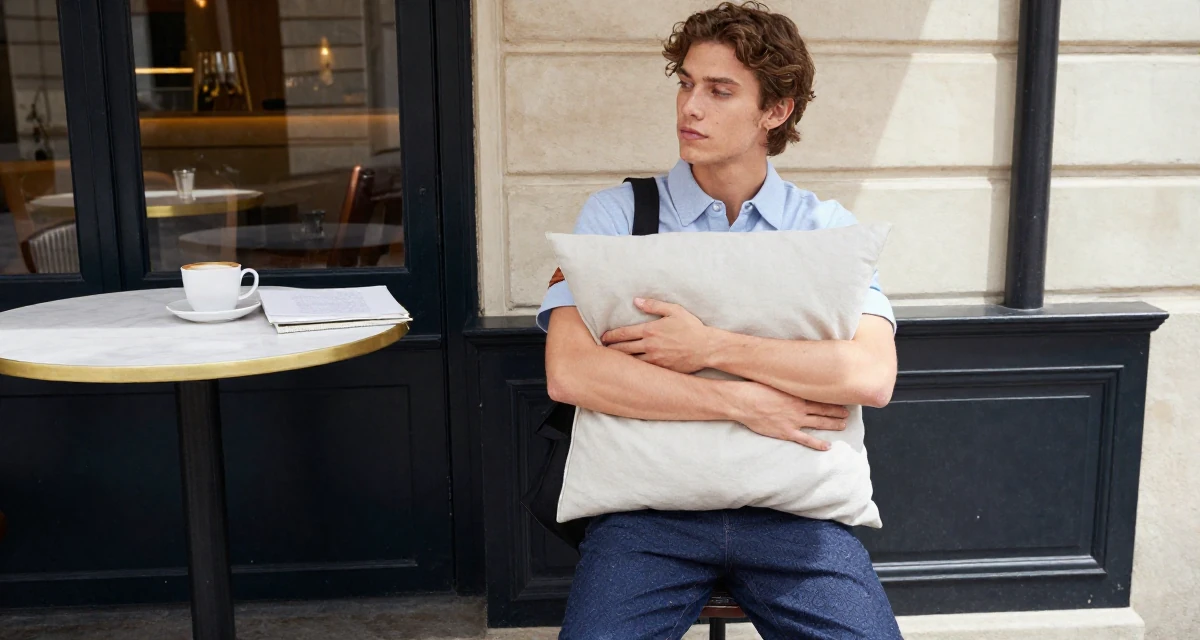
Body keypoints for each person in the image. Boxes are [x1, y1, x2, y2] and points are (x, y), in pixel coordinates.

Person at [537, 2, 902, 639]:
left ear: (776, 111)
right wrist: (743, 404)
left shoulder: (826, 231)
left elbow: (869, 375)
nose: (690, 108)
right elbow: (570, 373)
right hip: (648, 517)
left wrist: (707, 345)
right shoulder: (617, 215)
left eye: (719, 90)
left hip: (797, 518)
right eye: (685, 83)